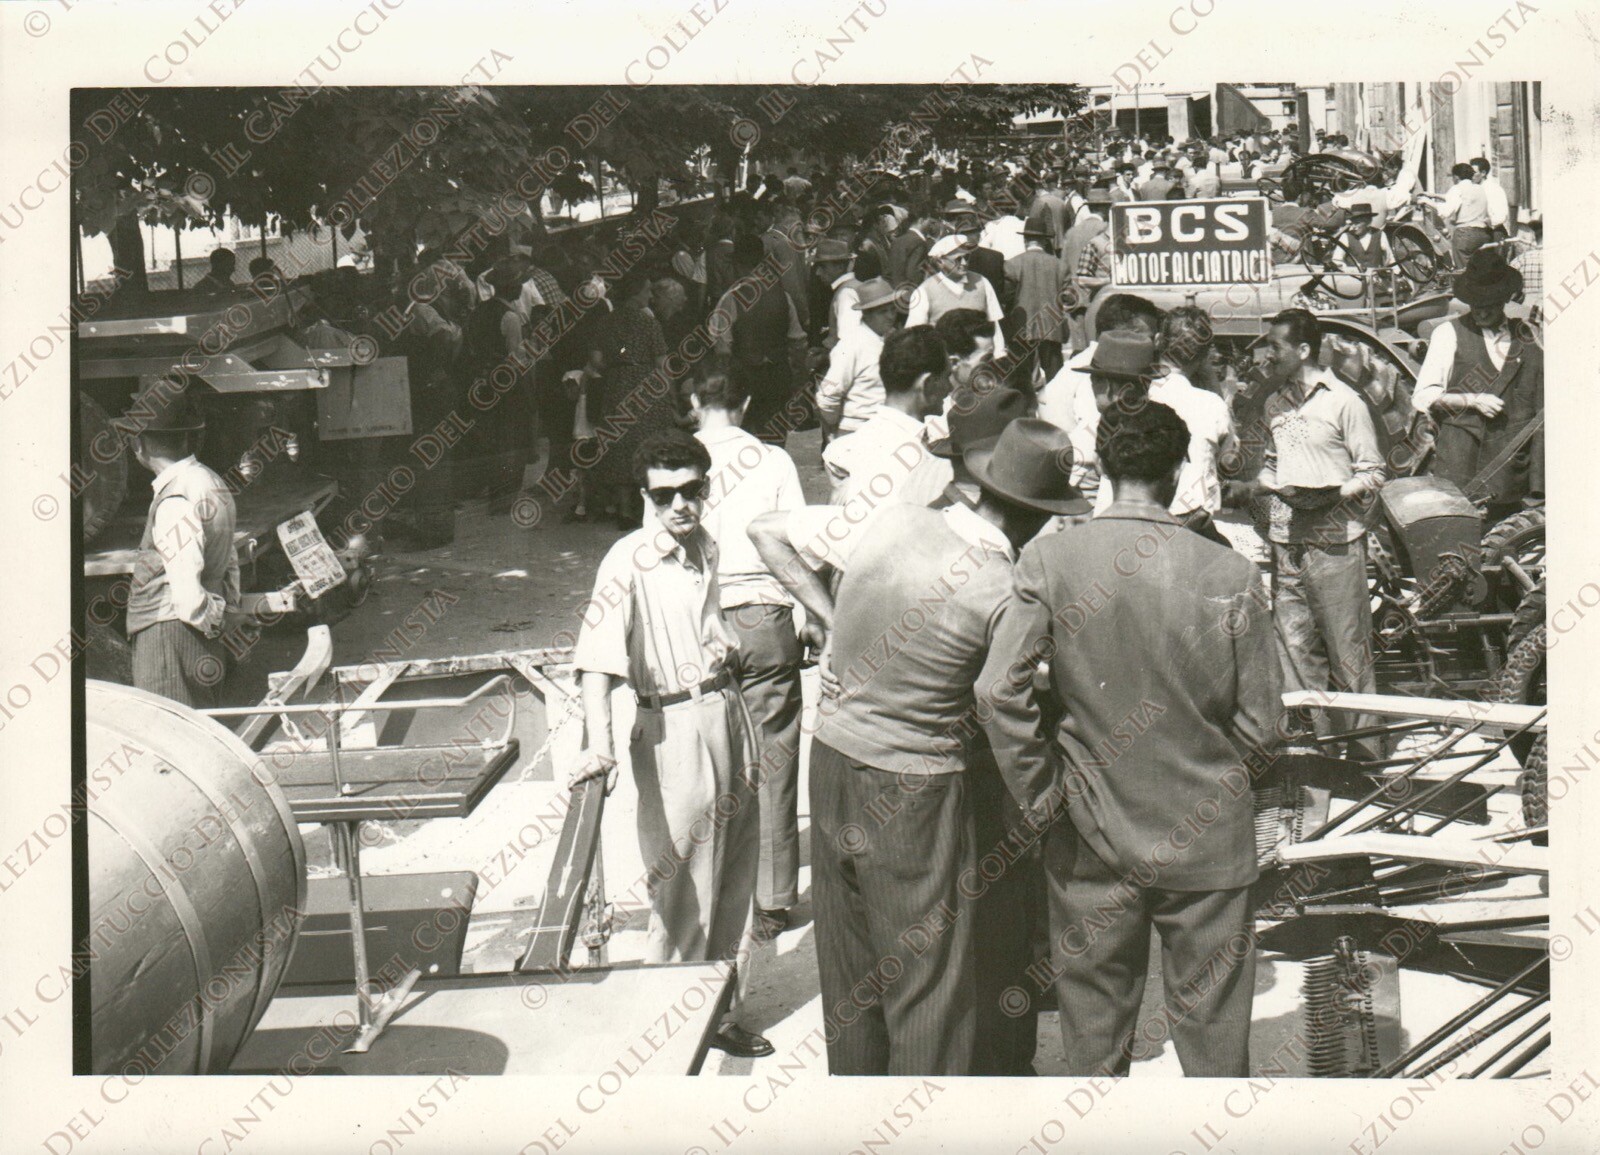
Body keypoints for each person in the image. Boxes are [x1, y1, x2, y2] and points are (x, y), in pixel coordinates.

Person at [750, 418, 1087, 1076]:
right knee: (928, 988)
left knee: (853, 979)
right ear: (1039, 516)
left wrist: (829, 618)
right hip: (915, 788)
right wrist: (1043, 799)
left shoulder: (894, 518)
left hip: (833, 759)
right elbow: (1001, 697)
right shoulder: (1002, 587)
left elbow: (766, 529)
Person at [978, 400, 1282, 1078]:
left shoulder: (1050, 560)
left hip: (1091, 832)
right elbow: (1264, 728)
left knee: (1094, 1045)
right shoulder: (1230, 573)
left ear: (1105, 468)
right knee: (1215, 1049)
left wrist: (1042, 796)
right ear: (1177, 471)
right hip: (1207, 837)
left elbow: (997, 690)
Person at [572, 429, 772, 1060]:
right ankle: (669, 1022)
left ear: (705, 488)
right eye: (665, 495)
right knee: (680, 881)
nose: (680, 504)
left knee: (736, 870)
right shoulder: (625, 561)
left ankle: (721, 1011)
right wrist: (599, 746)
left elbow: (710, 619)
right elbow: (596, 661)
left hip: (725, 710)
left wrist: (720, 639)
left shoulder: (705, 544)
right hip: (669, 728)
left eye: (691, 490)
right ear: (645, 497)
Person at [690, 372, 811, 938]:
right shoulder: (775, 460)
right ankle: (772, 899)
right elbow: (798, 541)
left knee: (704, 763)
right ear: (745, 400)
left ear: (694, 402)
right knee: (774, 759)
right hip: (765, 615)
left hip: (701, 620)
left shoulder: (676, 465)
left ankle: (709, 892)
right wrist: (809, 614)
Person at [1238, 309, 1386, 756]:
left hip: (1335, 543)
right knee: (1295, 652)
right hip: (1287, 542)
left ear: (1303, 350)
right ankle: (1319, 753)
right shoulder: (1275, 404)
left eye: (1275, 346)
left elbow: (1373, 471)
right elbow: (1272, 463)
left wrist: (1337, 492)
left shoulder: (1345, 402)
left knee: (1349, 655)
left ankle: (1365, 756)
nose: (1267, 355)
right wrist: (1262, 483)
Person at [125, 386, 240, 709]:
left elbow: (188, 600)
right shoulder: (208, 480)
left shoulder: (174, 500)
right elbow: (229, 556)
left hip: (171, 637)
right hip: (199, 640)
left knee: (168, 732)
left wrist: (216, 617)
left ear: (138, 444)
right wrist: (228, 609)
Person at [1411, 249, 1543, 522]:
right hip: (1462, 458)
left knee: (1507, 534)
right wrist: (1472, 400)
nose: (1481, 311)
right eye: (1476, 304)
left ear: (1504, 300)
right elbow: (1424, 395)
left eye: (1490, 304)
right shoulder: (1449, 334)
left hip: (1510, 467)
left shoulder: (1526, 335)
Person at [822, 326, 954, 507]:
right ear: (928, 383)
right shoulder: (912, 458)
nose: (950, 388)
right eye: (946, 377)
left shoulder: (855, 443)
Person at [1148, 307, 1239, 544]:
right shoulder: (1211, 404)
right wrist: (1212, 384)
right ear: (1205, 354)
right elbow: (1229, 462)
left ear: (1158, 340)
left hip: (1143, 520)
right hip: (1193, 522)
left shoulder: (1136, 394)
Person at [588, 270, 672, 526]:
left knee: (620, 444)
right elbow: (661, 362)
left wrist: (616, 367)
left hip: (616, 384)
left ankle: (624, 509)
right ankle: (648, 507)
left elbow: (596, 359)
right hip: (645, 385)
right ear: (636, 293)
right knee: (647, 441)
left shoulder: (606, 321)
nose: (650, 295)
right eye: (647, 290)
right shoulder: (649, 322)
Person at [713, 235, 806, 446]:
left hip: (745, 380)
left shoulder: (730, 299)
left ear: (737, 264)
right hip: (778, 376)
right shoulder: (783, 296)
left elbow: (723, 349)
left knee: (744, 441)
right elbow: (798, 340)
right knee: (775, 440)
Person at [816, 276, 897, 438]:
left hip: (888, 429)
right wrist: (834, 429)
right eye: (882, 312)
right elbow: (827, 395)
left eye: (892, 310)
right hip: (857, 431)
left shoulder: (893, 340)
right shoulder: (851, 345)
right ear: (866, 314)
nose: (890, 316)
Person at [905, 236, 1007, 359]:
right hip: (945, 362)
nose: (964, 263)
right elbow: (916, 335)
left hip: (980, 360)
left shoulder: (982, 282)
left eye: (967, 257)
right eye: (958, 259)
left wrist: (999, 355)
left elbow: (994, 324)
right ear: (940, 262)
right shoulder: (924, 291)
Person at [1005, 211, 1069, 383]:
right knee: (1055, 379)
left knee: (1022, 379)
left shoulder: (1012, 264)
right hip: (1051, 326)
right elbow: (1068, 297)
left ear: (1025, 240)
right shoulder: (1060, 265)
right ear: (1045, 241)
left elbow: (1007, 297)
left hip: (1022, 327)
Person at [1423, 163, 1493, 266]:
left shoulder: (1457, 189)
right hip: (1483, 234)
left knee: (1463, 270)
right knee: (1480, 268)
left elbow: (1447, 210)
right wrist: (1434, 195)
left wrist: (1427, 201)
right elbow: (1462, 199)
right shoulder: (1480, 189)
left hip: (1465, 235)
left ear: (1456, 177)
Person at [887, 214, 936, 301]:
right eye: (930, 222)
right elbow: (914, 274)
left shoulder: (897, 241)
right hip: (913, 295)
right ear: (921, 220)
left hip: (895, 294)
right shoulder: (918, 242)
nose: (931, 225)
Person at [1472, 157, 1512, 240]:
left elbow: (1502, 215)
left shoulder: (1493, 189)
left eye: (1474, 172)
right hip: (1477, 232)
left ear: (1483, 173)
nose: (1471, 176)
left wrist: (1488, 221)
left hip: (1493, 232)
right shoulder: (1471, 189)